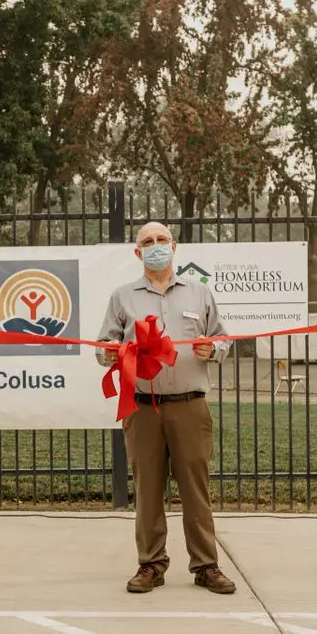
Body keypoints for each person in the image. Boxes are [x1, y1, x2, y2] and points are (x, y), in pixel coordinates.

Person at [96, 221, 237, 595]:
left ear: (173, 246)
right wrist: (111, 351)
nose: (155, 246)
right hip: (143, 409)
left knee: (196, 490)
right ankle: (151, 564)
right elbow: (102, 347)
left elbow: (223, 339)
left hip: (190, 406)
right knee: (147, 489)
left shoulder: (200, 293)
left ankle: (206, 565)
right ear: (137, 252)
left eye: (161, 240)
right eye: (147, 242)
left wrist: (214, 349)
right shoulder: (122, 297)